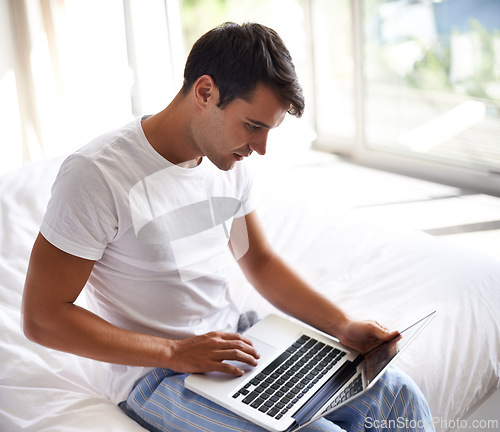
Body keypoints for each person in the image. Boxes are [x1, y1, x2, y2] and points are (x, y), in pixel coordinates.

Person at [22, 22, 434, 431]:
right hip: (156, 374)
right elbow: (43, 317)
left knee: (398, 395)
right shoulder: (96, 174)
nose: (260, 148)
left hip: (240, 341)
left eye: (268, 131)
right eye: (254, 126)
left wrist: (340, 324)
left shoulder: (226, 161)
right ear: (205, 92)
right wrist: (174, 351)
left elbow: (259, 260)